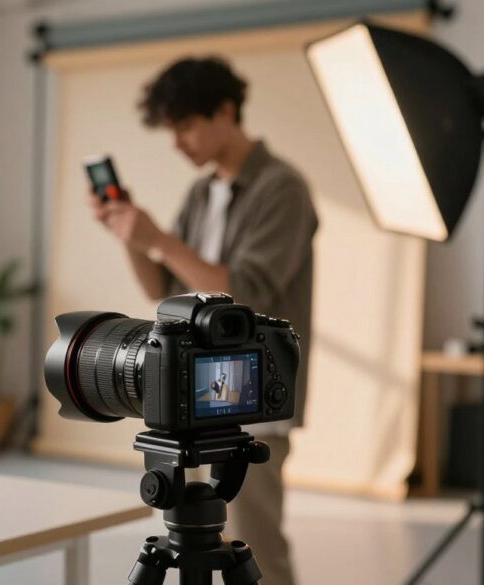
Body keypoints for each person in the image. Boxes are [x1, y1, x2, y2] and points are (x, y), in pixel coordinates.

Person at [89, 56, 317, 585]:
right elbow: (163, 293)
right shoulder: (202, 192)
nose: (178, 143)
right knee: (197, 537)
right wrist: (132, 235)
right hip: (196, 395)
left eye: (186, 126)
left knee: (256, 542)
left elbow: (248, 295)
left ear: (226, 111)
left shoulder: (281, 187)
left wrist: (158, 238)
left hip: (255, 395)